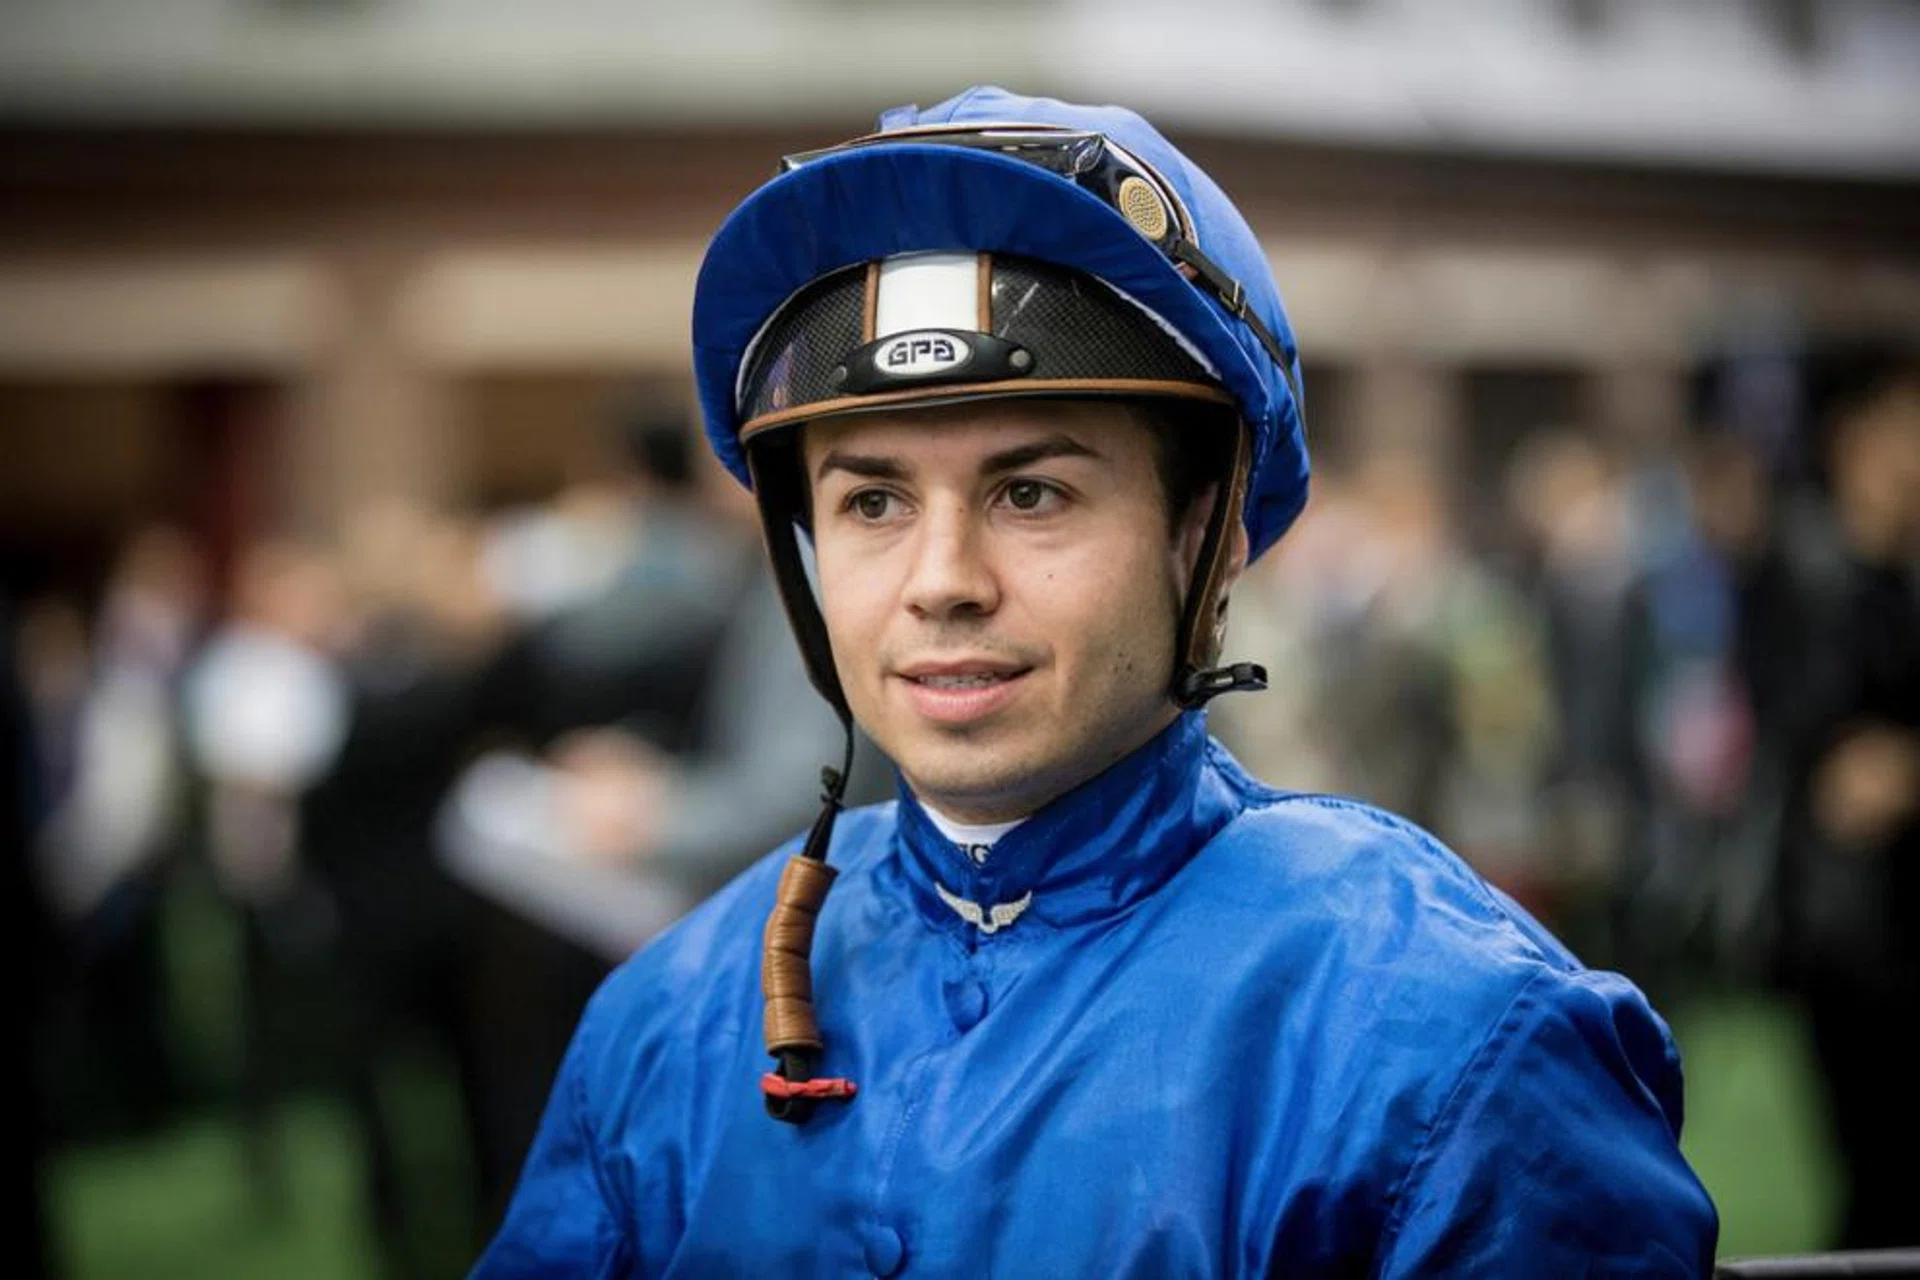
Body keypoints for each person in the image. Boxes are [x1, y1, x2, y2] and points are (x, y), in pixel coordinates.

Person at [476, 87, 1718, 1276]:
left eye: (1032, 492)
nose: (942, 581)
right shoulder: (664, 1019)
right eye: (873, 502)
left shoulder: (1451, 1034)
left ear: (1206, 534)